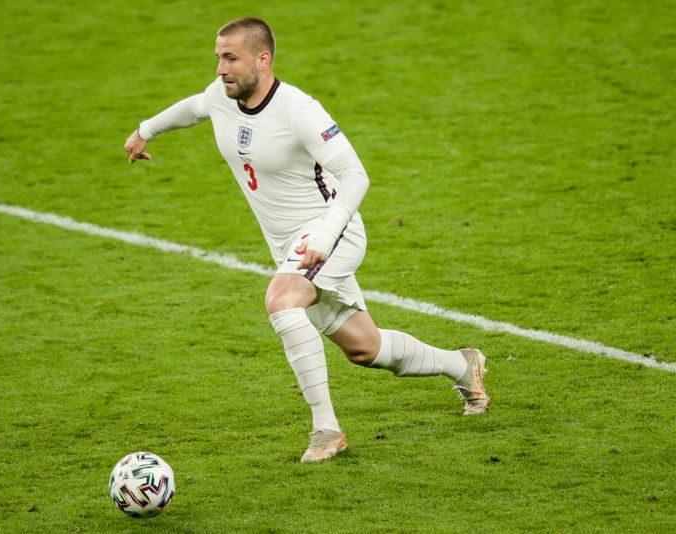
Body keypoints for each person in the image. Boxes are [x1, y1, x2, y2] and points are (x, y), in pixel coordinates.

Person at [124, 17, 489, 463]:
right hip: (289, 247)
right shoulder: (221, 95)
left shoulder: (299, 110)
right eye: (218, 57)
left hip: (330, 232)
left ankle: (326, 430)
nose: (220, 68)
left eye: (231, 58)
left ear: (263, 59)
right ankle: (462, 365)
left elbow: (355, 175)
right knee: (365, 349)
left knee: (281, 300)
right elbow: (194, 107)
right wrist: (146, 130)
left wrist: (326, 234)